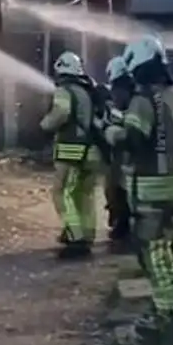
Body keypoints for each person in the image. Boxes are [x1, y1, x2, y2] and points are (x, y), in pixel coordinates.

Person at [108, 34, 173, 345]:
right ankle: (172, 310)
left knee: (155, 256)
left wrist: (114, 133)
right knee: (170, 252)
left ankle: (169, 315)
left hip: (152, 192)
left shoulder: (143, 100)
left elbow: (135, 138)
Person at [39, 50, 103, 257]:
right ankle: (87, 234)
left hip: (71, 150)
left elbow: (62, 112)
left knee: (62, 192)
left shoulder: (64, 90)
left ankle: (75, 237)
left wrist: (45, 124)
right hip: (92, 150)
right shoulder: (87, 92)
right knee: (85, 195)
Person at [104, 52, 135, 246]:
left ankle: (121, 224)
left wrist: (111, 130)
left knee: (117, 188)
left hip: (125, 154)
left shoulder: (126, 94)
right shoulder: (138, 92)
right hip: (128, 155)